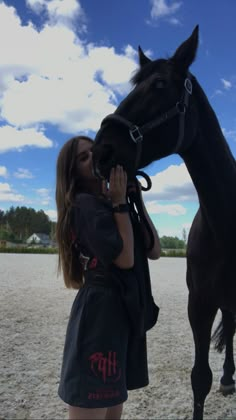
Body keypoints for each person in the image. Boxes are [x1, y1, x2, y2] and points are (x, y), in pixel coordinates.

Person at [56, 135, 161, 420]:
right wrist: (118, 204)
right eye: (83, 158)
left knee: (112, 411)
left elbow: (154, 249)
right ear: (72, 172)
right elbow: (125, 259)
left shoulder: (113, 206)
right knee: (94, 403)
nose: (92, 158)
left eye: (94, 152)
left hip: (118, 313)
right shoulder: (83, 206)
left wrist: (133, 199)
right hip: (99, 315)